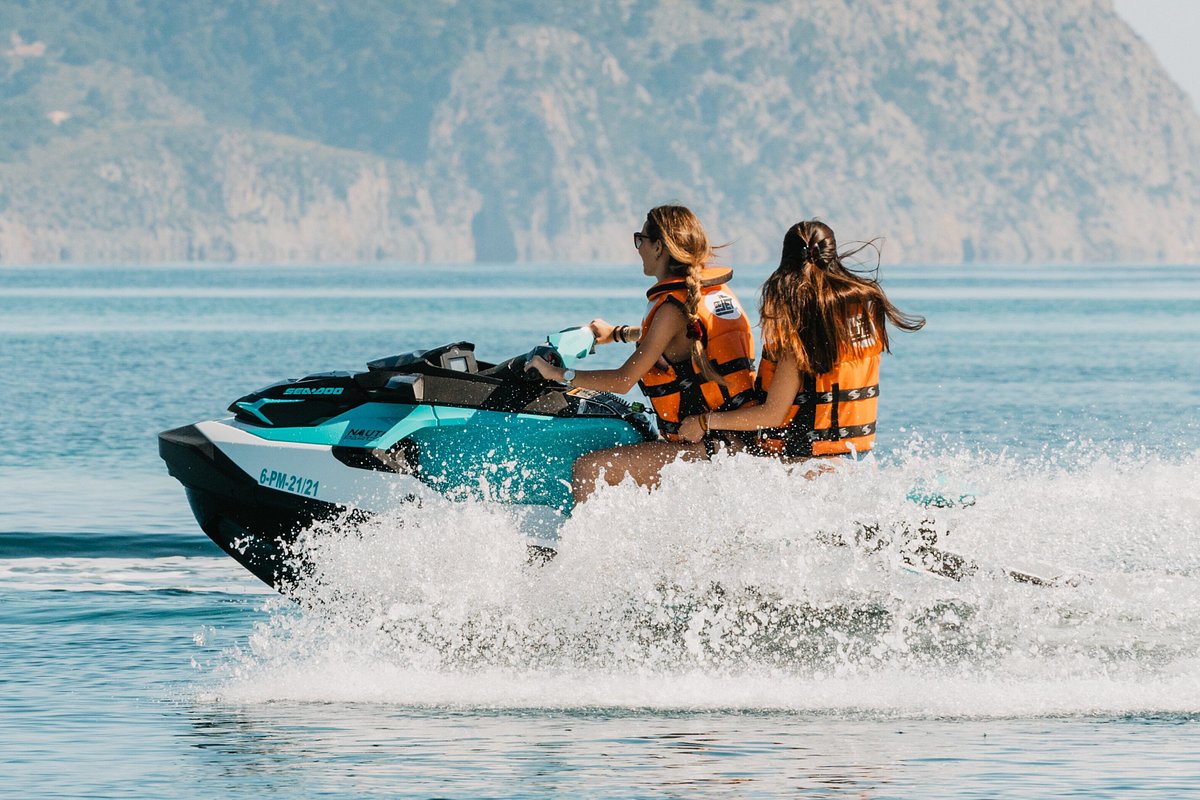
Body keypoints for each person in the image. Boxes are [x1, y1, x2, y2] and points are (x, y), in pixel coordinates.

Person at [526, 205, 757, 503]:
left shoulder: (672, 309)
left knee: (589, 468)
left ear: (658, 247)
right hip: (734, 440)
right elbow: (677, 341)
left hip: (711, 446)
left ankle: (583, 550)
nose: (639, 249)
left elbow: (623, 380)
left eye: (641, 240)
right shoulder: (714, 295)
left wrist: (558, 374)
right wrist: (618, 333)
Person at [678, 220, 924, 461]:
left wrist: (704, 421)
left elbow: (772, 415)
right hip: (856, 458)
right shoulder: (863, 312)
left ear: (786, 265)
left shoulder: (803, 331)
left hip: (803, 464)